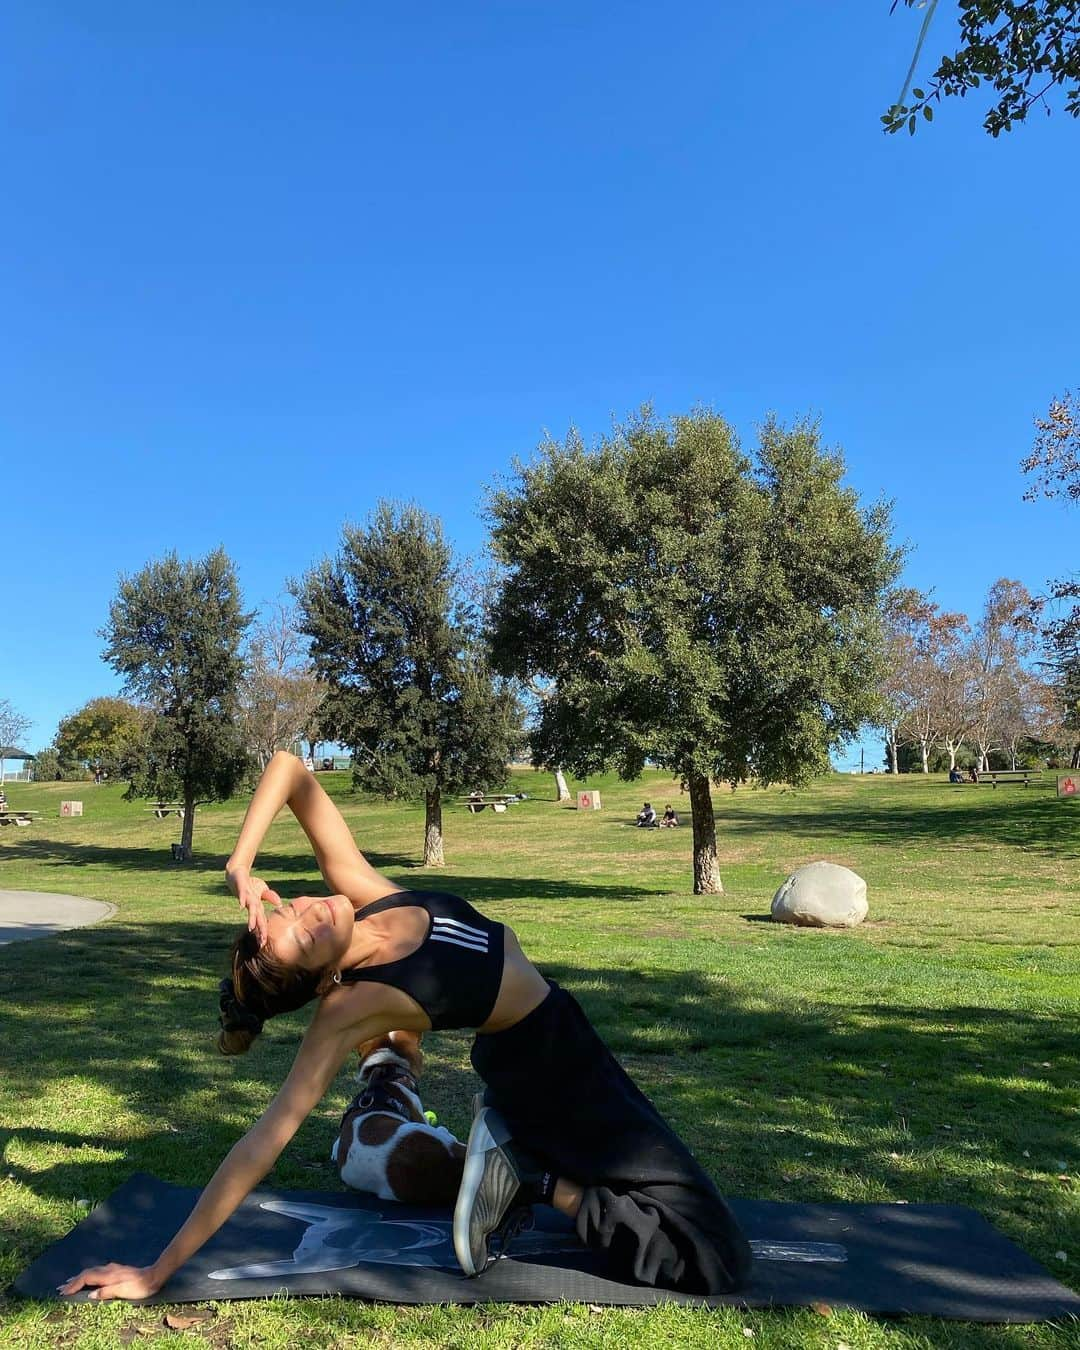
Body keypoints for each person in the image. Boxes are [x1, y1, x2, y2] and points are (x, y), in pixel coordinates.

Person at [59, 751, 751, 1302]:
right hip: (553, 1075)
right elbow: (260, 1144)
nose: (307, 908)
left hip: (554, 1049)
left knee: (678, 1215)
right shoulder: (349, 1008)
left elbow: (290, 767)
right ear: (320, 980)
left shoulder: (363, 894)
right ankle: (538, 1180)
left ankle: (525, 1167)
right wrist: (156, 1273)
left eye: (288, 907)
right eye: (300, 936)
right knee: (711, 1256)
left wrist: (238, 863)